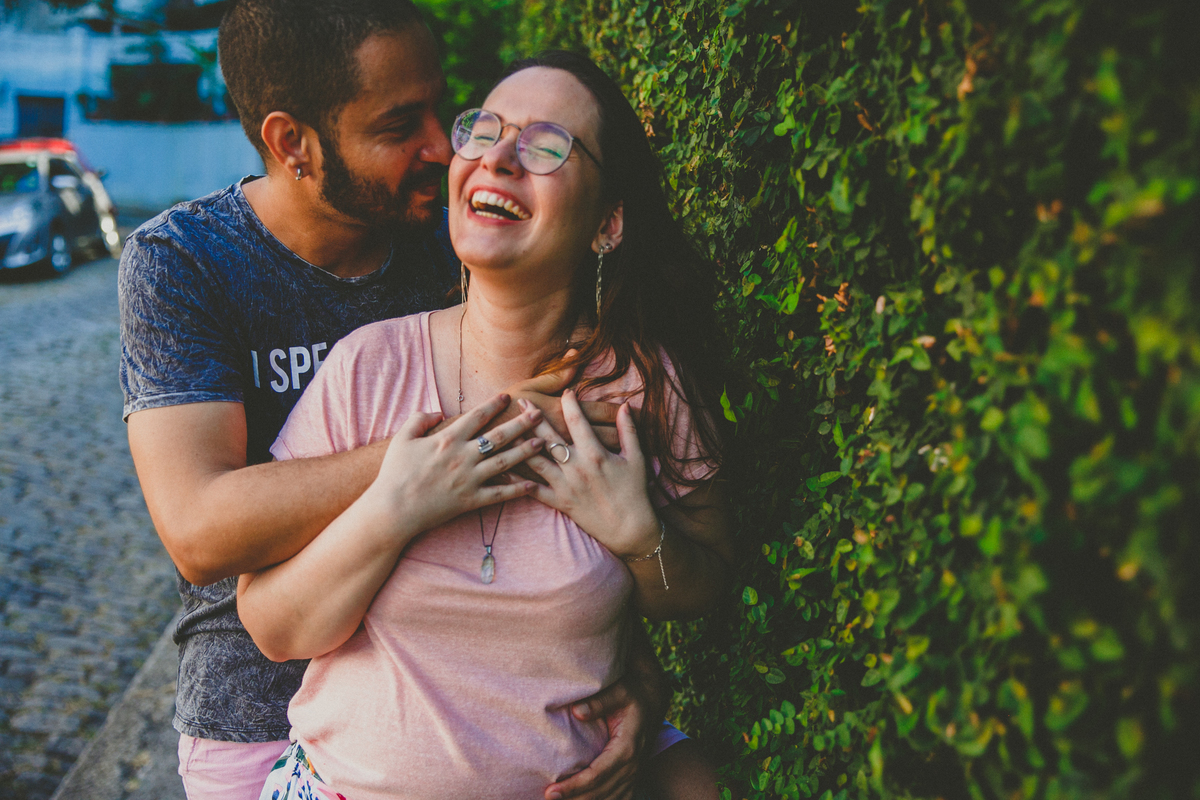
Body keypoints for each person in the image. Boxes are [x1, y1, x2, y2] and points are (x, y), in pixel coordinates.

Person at [117, 2, 667, 797]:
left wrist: (636, 676)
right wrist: (455, 445)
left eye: (442, 109)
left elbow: (551, 521)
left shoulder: (452, 237)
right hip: (260, 714)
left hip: (487, 696)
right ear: (291, 143)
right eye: (399, 124)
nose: (443, 146)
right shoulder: (185, 263)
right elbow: (200, 528)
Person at [237, 51, 734, 800]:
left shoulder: (642, 390)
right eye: (485, 130)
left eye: (545, 145)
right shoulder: (367, 368)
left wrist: (640, 538)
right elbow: (275, 629)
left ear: (608, 223)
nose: (498, 157)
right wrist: (396, 506)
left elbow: (703, 588)